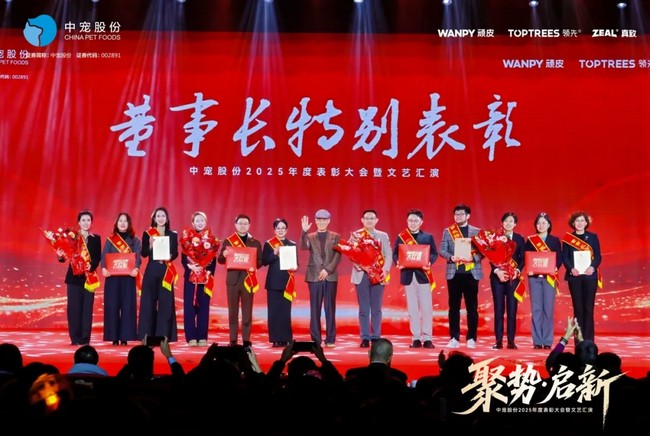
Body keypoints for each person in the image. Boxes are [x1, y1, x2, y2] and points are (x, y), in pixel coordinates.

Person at [392, 208, 438, 349]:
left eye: (415, 220)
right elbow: (395, 253)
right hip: (408, 276)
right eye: (410, 220)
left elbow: (434, 253)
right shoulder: (401, 237)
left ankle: (428, 338)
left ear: (421, 222)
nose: (412, 223)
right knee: (412, 309)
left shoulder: (428, 237)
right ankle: (416, 338)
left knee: (426, 309)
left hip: (423, 276)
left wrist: (429, 261)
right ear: (407, 221)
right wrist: (397, 261)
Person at [439, 204, 483, 349]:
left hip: (471, 274)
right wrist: (451, 257)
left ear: (468, 216)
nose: (458, 217)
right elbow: (442, 250)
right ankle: (454, 337)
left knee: (472, 308)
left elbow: (483, 251)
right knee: (453, 308)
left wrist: (473, 258)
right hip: (454, 274)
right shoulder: (448, 231)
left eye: (461, 214)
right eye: (456, 214)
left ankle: (471, 338)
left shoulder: (476, 231)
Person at [56, 210, 101, 346]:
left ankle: (85, 339)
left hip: (89, 278)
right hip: (74, 279)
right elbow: (65, 257)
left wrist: (91, 266)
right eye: (83, 220)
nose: (86, 223)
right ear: (78, 222)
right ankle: (75, 338)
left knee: (87, 309)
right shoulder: (72, 237)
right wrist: (60, 255)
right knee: (74, 309)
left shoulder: (96, 238)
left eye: (88, 220)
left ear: (91, 222)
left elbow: (97, 257)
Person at [217, 214, 263, 347]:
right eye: (240, 223)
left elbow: (260, 262)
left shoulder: (255, 242)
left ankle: (246, 340)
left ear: (249, 225)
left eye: (245, 223)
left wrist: (252, 263)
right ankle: (232, 340)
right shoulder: (228, 241)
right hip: (232, 281)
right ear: (236, 225)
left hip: (248, 280)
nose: (243, 226)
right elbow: (220, 260)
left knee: (247, 312)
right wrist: (224, 255)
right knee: (233, 312)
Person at [300, 209, 342, 347]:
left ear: (328, 221)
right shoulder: (310, 236)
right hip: (314, 276)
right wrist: (304, 232)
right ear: (316, 221)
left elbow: (338, 255)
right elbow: (303, 246)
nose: (321, 222)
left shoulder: (335, 236)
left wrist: (328, 270)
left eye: (324, 220)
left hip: (330, 276)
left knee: (330, 309)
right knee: (315, 309)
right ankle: (316, 340)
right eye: (319, 219)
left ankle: (330, 339)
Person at [351, 209, 392, 348]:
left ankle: (376, 337)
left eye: (372, 218)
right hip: (361, 275)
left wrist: (385, 270)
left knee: (376, 308)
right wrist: (362, 266)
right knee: (363, 309)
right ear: (362, 220)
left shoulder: (383, 236)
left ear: (376, 220)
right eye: (367, 218)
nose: (369, 220)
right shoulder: (356, 235)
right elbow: (351, 254)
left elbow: (388, 254)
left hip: (378, 275)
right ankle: (365, 337)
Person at [139, 206, 179, 342]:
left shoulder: (172, 234)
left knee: (166, 303)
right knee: (148, 303)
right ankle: (147, 336)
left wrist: (170, 256)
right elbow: (144, 253)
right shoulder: (148, 233)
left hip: (166, 270)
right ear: (154, 219)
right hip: (152, 270)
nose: (161, 218)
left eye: (163, 216)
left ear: (167, 218)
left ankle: (163, 336)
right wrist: (150, 245)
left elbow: (175, 252)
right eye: (158, 216)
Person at [101, 212, 141, 346]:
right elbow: (104, 255)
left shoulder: (135, 240)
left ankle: (125, 337)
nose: (123, 223)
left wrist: (136, 269)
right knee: (112, 306)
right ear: (116, 223)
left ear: (129, 224)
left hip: (128, 278)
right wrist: (104, 268)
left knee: (127, 307)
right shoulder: (110, 239)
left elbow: (137, 257)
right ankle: (113, 336)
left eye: (125, 221)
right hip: (112, 278)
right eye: (120, 221)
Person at [562, 211, 602, 342]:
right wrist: (571, 268)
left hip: (590, 276)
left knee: (588, 308)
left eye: (582, 221)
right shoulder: (568, 238)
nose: (579, 223)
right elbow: (565, 257)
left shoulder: (593, 237)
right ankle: (579, 340)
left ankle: (589, 340)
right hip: (575, 277)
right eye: (577, 221)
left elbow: (598, 256)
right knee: (578, 309)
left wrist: (592, 267)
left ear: (586, 223)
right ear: (573, 223)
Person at [524, 212, 562, 350]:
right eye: (539, 223)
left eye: (544, 223)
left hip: (549, 278)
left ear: (549, 225)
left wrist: (554, 267)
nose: (541, 225)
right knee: (536, 309)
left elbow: (559, 257)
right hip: (534, 278)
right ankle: (537, 340)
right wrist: (529, 268)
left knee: (548, 309)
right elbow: (527, 257)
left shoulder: (554, 240)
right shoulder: (531, 240)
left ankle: (547, 341)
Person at [489, 212, 525, 350]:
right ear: (502, 223)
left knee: (512, 309)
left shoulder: (519, 238)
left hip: (513, 277)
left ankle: (511, 341)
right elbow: (491, 256)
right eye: (506, 221)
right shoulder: (495, 237)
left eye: (511, 221)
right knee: (498, 309)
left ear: (515, 224)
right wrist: (497, 271)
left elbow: (522, 258)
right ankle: (498, 341)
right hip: (497, 277)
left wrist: (517, 271)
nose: (508, 223)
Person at [181, 211, 217, 347]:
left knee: (204, 307)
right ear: (193, 223)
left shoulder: (211, 239)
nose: (200, 223)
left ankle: (202, 336)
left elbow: (213, 259)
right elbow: (184, 257)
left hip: (205, 278)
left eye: (202, 220)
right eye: (197, 220)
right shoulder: (187, 239)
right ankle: (191, 337)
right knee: (189, 307)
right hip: (191, 277)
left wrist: (207, 271)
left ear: (205, 222)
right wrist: (191, 267)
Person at [261, 218, 297, 347]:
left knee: (285, 312)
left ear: (286, 230)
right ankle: (275, 339)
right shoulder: (269, 244)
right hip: (273, 282)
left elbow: (295, 262)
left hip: (287, 282)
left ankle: (286, 338)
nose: (281, 230)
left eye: (283, 228)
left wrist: (295, 266)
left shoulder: (291, 244)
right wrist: (274, 253)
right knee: (274, 312)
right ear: (274, 230)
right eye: (278, 228)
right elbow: (264, 261)